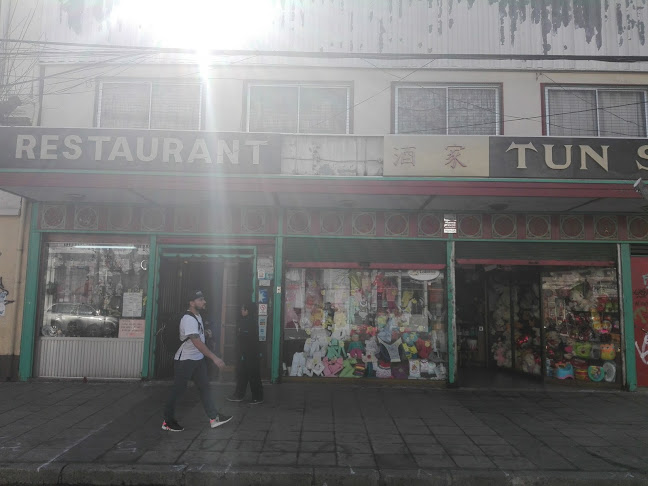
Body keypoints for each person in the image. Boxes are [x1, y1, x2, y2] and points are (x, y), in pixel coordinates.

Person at [162, 290, 232, 432]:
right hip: (185, 360)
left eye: (203, 299)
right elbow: (196, 342)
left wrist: (205, 333)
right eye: (200, 300)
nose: (204, 302)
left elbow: (197, 335)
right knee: (178, 391)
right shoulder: (188, 319)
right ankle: (167, 422)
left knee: (205, 388)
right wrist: (214, 358)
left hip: (197, 359)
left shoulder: (198, 316)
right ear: (192, 303)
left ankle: (214, 418)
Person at [227, 302, 264, 404]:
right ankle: (240, 395)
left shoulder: (248, 322)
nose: (241, 311)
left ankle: (257, 397)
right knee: (243, 374)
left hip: (249, 353)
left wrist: (239, 334)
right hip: (248, 353)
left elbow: (243, 336)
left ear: (247, 310)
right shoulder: (250, 320)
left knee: (252, 375)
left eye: (243, 309)